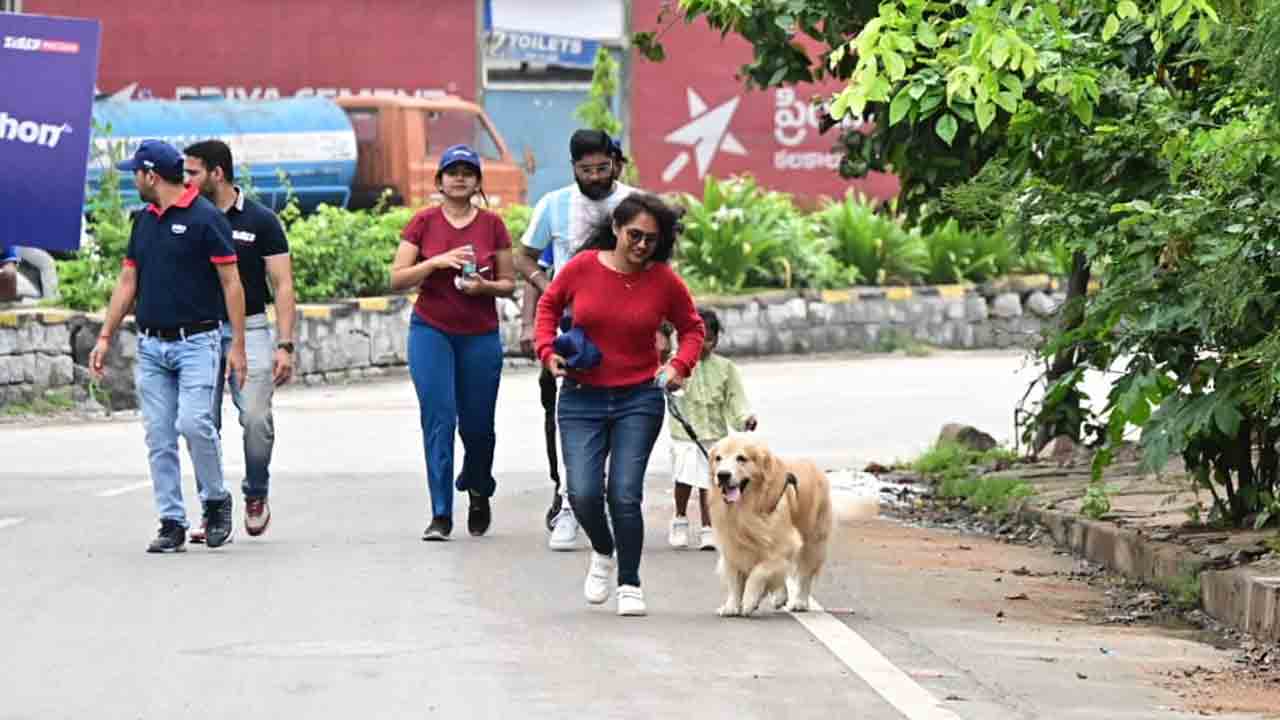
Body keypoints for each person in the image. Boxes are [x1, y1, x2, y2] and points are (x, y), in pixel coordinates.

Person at [534, 193, 705, 617]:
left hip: (639, 398)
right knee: (582, 492)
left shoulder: (664, 281)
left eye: (651, 239)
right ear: (615, 228)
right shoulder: (582, 267)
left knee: (624, 494)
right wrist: (546, 350)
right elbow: (549, 304)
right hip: (581, 395)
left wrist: (679, 366)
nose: (642, 245)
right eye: (634, 235)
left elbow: (692, 328)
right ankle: (603, 549)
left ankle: (630, 582)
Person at [89, 139, 248, 554]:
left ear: (151, 175)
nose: (133, 181)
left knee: (194, 423)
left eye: (135, 174)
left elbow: (231, 283)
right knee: (159, 436)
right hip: (151, 346)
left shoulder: (206, 218)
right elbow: (128, 281)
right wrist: (105, 336)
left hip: (197, 342)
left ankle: (215, 499)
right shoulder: (143, 221)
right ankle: (172, 521)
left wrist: (238, 345)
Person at [514, 129, 637, 551]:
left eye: (603, 168)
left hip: (628, 328)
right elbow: (524, 256)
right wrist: (547, 287)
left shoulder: (635, 204)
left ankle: (612, 503)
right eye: (587, 170)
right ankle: (568, 504)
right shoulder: (554, 205)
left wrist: (661, 329)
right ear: (573, 168)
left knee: (622, 417)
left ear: (614, 163)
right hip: (573, 332)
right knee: (571, 417)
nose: (596, 177)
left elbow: (660, 265)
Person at [390, 144, 515, 541]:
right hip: (431, 331)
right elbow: (397, 278)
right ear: (439, 181)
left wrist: (484, 287)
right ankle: (440, 513)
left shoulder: (493, 224)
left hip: (480, 334)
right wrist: (435, 262)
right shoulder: (423, 222)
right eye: (452, 172)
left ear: (478, 182)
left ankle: (479, 488)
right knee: (439, 418)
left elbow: (509, 284)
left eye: (467, 172)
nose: (459, 178)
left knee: (478, 426)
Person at [183, 140, 297, 541]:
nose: (185, 180)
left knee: (255, 418)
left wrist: (285, 344)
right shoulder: (187, 217)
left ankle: (256, 493)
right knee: (200, 423)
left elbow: (282, 284)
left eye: (193, 172)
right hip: (200, 331)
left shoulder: (261, 220)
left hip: (251, 328)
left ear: (217, 173)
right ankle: (213, 507)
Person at [662, 309, 758, 551]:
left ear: (716, 340)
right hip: (684, 435)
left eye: (710, 339)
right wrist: (668, 383)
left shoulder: (726, 368)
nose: (704, 345)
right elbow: (664, 385)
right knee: (684, 479)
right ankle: (680, 519)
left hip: (715, 437)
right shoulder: (675, 364)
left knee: (712, 482)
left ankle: (709, 527)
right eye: (698, 339)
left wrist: (745, 418)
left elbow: (735, 399)